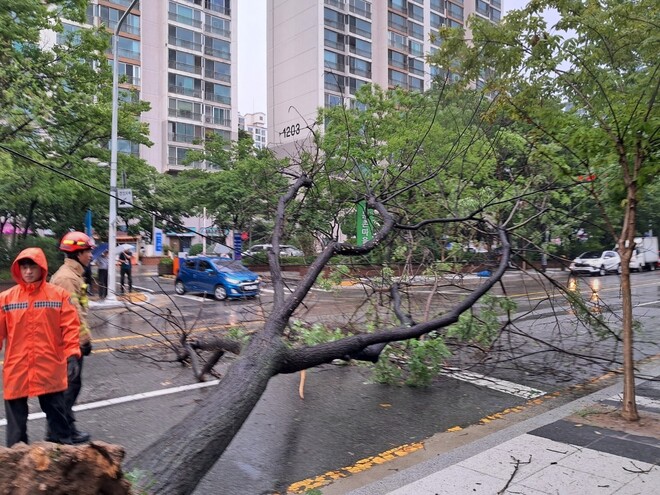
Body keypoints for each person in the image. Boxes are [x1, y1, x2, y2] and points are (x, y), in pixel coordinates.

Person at [0, 248, 81, 447]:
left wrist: (72, 355)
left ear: (41, 268)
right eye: (24, 267)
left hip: (49, 365)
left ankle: (63, 458)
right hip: (18, 366)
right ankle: (17, 466)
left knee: (57, 418)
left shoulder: (59, 296)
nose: (28, 272)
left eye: (32, 267)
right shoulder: (6, 299)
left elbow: (70, 328)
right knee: (16, 429)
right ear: (19, 269)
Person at [50, 231, 94, 444]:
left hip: (69, 342)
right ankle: (59, 433)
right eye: (88, 252)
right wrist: (83, 341)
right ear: (77, 254)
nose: (90, 255)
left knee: (71, 386)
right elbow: (71, 315)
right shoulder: (67, 278)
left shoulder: (73, 275)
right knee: (68, 388)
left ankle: (65, 428)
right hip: (67, 344)